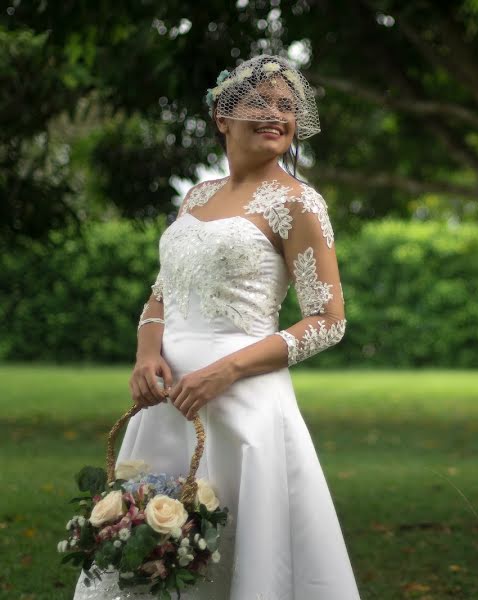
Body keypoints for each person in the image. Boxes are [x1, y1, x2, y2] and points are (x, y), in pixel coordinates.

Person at [72, 54, 361, 599]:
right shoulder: (196, 197)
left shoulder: (298, 204)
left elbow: (328, 321)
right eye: (260, 102)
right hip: (165, 403)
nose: (276, 114)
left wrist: (222, 372)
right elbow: (163, 291)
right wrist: (145, 352)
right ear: (222, 118)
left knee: (240, 545)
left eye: (286, 106)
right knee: (151, 552)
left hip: (243, 403)